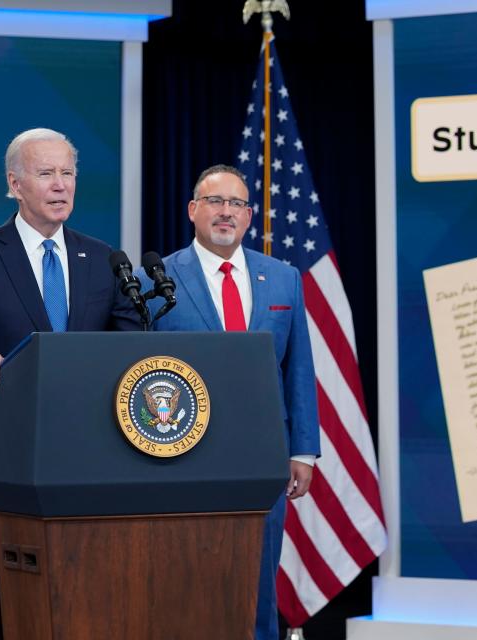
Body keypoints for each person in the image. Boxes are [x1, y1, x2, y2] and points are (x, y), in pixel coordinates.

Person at [0, 128, 140, 639]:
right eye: (46, 173)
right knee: (12, 617)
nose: (60, 185)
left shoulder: (103, 259)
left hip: (92, 469)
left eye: (67, 173)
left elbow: (131, 349)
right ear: (15, 184)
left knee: (90, 614)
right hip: (6, 467)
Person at [137, 164, 319, 640]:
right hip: (180, 455)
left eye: (237, 204)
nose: (226, 212)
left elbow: (298, 366)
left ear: (249, 215)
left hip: (263, 453)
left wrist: (302, 450)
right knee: (186, 577)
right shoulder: (155, 280)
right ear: (193, 210)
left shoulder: (282, 278)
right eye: (215, 201)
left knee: (258, 577)